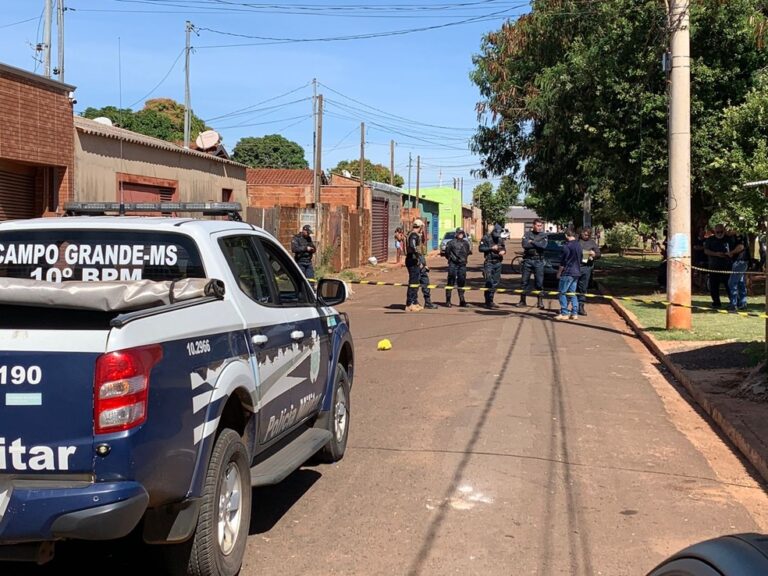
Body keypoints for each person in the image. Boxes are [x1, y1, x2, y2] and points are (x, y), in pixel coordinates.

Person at [405, 219, 437, 311]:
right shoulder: (413, 235)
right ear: (420, 227)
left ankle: (415, 302)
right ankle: (410, 303)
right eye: (422, 227)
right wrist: (418, 258)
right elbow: (413, 247)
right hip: (413, 261)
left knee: (418, 282)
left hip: (416, 261)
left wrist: (422, 263)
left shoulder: (415, 235)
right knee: (413, 282)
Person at [516, 218, 548, 309]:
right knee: (524, 282)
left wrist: (532, 242)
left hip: (539, 261)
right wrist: (537, 243)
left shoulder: (544, 235)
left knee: (539, 282)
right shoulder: (527, 234)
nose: (539, 227)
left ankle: (540, 302)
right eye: (538, 225)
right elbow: (525, 245)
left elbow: (543, 246)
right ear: (533, 225)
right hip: (528, 260)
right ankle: (522, 301)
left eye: (540, 226)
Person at [555, 229, 583, 320]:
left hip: (568, 272)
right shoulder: (579, 245)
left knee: (562, 292)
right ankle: (574, 313)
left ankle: (564, 312)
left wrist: (559, 272)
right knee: (572, 293)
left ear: (566, 235)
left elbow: (563, 262)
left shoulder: (566, 246)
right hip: (577, 272)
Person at [479, 223, 508, 309]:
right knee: (489, 282)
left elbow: (504, 248)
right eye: (496, 234)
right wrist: (491, 248)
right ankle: (487, 301)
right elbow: (480, 248)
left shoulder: (500, 239)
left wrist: (503, 252)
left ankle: (491, 300)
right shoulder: (486, 238)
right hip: (489, 262)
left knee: (495, 282)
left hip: (498, 262)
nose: (497, 236)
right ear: (493, 231)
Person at [703, 224, 731, 308]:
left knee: (729, 285)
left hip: (727, 267)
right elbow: (706, 251)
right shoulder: (710, 240)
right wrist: (716, 254)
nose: (719, 233)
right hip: (714, 267)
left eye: (721, 231)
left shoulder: (728, 239)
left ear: (724, 231)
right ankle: (716, 303)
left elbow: (734, 249)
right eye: (717, 232)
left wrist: (728, 254)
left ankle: (732, 302)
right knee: (714, 286)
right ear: (714, 232)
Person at [576, 226, 601, 316]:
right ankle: (573, 306)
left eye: (587, 235)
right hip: (576, 267)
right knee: (573, 287)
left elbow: (598, 254)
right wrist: (585, 252)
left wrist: (594, 254)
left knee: (583, 287)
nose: (585, 236)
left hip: (586, 267)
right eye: (584, 234)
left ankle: (581, 306)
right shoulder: (576, 241)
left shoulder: (592, 243)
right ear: (581, 233)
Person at [444, 227, 470, 308]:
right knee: (451, 281)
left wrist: (463, 260)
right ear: (456, 233)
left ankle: (462, 300)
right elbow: (447, 254)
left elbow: (467, 252)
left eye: (462, 233)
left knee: (461, 282)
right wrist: (452, 259)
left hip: (462, 265)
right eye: (459, 233)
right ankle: (448, 300)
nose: (461, 234)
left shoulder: (466, 243)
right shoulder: (450, 243)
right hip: (453, 264)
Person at [727, 231, 749, 311]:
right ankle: (742, 303)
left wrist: (731, 252)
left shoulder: (740, 234)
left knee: (732, 282)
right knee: (740, 282)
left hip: (740, 261)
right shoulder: (734, 236)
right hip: (740, 261)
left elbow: (741, 247)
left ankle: (733, 304)